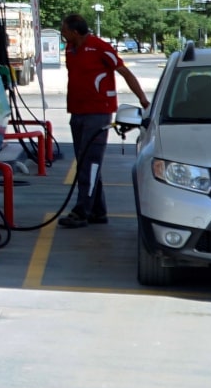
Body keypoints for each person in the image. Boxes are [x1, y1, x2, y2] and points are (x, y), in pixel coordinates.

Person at [57, 12, 150, 228]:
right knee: (85, 161)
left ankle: (82, 211)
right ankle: (98, 211)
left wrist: (143, 100)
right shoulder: (70, 49)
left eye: (64, 29)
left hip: (98, 113)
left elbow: (125, 72)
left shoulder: (100, 47)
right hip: (77, 112)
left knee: (89, 162)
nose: (62, 32)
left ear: (74, 31)